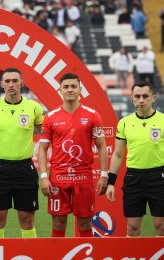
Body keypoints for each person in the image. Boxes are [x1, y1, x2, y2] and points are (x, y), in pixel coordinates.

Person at [38, 73, 108, 237]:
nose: (70, 90)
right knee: (58, 222)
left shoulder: (92, 115)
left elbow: (102, 146)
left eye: (73, 86)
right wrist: (43, 177)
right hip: (58, 178)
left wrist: (104, 174)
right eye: (66, 87)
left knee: (85, 224)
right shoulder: (50, 117)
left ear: (80, 89)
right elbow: (42, 149)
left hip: (83, 177)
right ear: (60, 90)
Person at [0, 68, 43, 238]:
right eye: (7, 81)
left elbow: (43, 131)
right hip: (0, 169)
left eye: (15, 81)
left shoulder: (33, 107)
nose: (11, 85)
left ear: (21, 83)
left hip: (25, 168)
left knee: (27, 219)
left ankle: (31, 255)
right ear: (1, 84)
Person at [106, 81, 164, 237]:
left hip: (159, 178)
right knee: (132, 228)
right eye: (137, 96)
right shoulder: (124, 123)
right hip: (133, 178)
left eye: (145, 96)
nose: (141, 100)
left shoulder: (162, 120)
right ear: (131, 99)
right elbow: (118, 155)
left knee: (161, 226)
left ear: (153, 98)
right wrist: (111, 183)